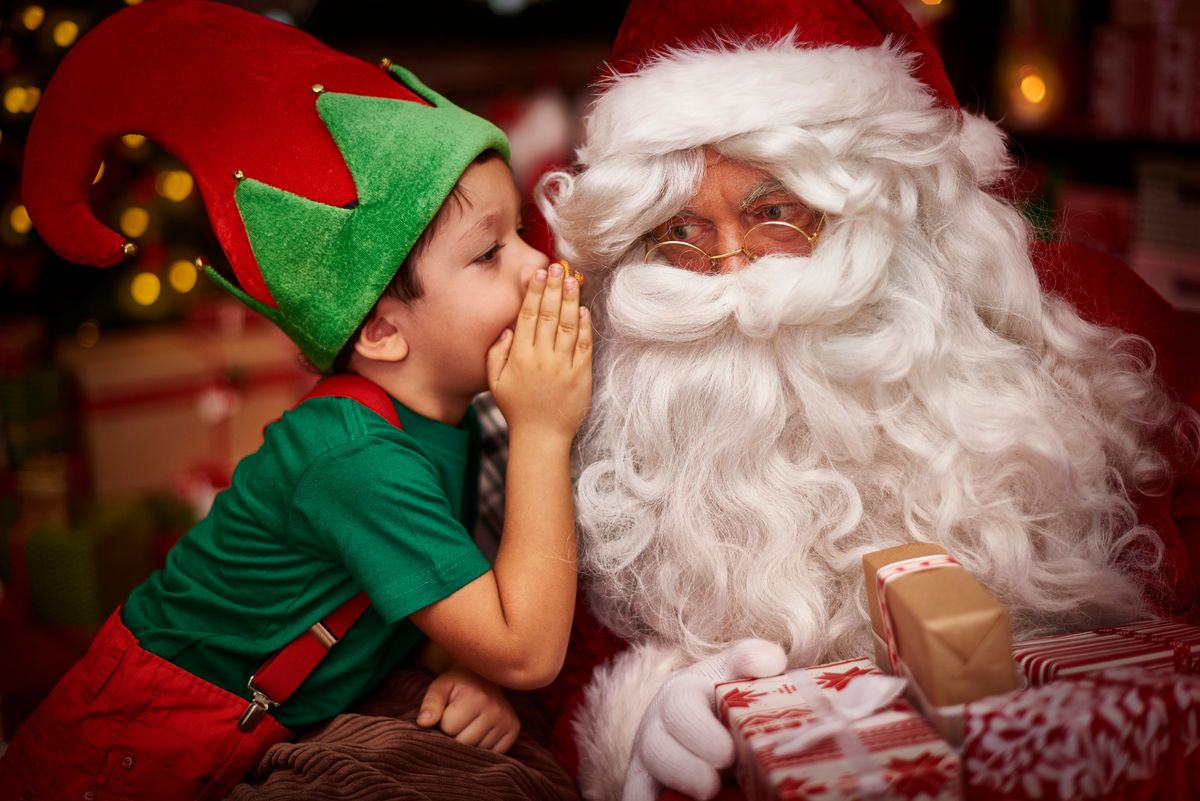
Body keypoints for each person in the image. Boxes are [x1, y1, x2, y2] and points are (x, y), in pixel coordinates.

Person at [535, 0, 1200, 799]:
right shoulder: (605, 399)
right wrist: (634, 713)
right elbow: (558, 676)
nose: (732, 273)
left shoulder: (1090, 325)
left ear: (887, 207)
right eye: (680, 231)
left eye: (777, 212)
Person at [1, 2, 591, 799]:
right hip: (131, 752)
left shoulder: (455, 416)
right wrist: (546, 429)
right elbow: (528, 648)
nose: (533, 266)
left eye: (519, 232)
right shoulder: (354, 457)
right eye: (489, 253)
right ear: (382, 331)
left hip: (288, 711)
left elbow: (441, 611)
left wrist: (466, 669)